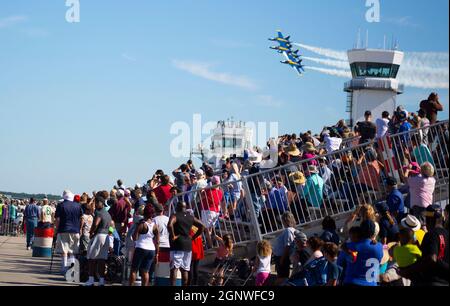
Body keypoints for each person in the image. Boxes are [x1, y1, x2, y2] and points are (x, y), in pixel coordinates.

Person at [399, 204, 449, 286]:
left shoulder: (431, 234)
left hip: (431, 282)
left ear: (431, 219)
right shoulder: (447, 234)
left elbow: (432, 258)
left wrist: (408, 271)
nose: (425, 222)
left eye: (426, 219)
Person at [168, 202, 205, 286]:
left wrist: (173, 235)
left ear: (177, 207)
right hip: (188, 245)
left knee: (174, 268)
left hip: (177, 244)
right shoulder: (191, 217)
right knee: (185, 269)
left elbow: (170, 225)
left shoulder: (175, 215)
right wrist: (194, 237)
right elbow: (202, 226)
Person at [341, 220, 384, 286]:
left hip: (352, 282)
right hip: (372, 284)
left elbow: (340, 262)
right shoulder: (379, 246)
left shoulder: (350, 246)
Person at [83, 196, 113, 286]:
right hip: (106, 236)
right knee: (102, 260)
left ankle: (91, 280)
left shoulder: (99, 212)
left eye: (96, 203)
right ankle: (101, 280)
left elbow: (96, 224)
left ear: (101, 203)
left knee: (91, 258)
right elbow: (111, 226)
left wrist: (91, 232)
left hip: (99, 235)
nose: (95, 205)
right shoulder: (108, 214)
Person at [128, 204, 160, 287]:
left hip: (141, 248)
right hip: (151, 250)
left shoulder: (141, 224)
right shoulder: (155, 226)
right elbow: (157, 241)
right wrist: (157, 254)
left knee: (134, 270)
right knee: (146, 271)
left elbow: (134, 238)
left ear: (144, 213)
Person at [55, 190, 83, 274]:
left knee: (64, 250)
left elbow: (57, 219)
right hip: (75, 230)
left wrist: (56, 229)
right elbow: (82, 218)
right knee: (73, 251)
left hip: (63, 229)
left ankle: (64, 268)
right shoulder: (78, 206)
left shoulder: (61, 205)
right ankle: (72, 269)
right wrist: (80, 228)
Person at [272, 212, 297, 285]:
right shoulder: (291, 230)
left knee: (282, 278)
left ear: (285, 220)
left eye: (282, 220)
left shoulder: (288, 231)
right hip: (281, 257)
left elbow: (287, 246)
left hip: (282, 258)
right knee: (282, 276)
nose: (282, 222)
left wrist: (282, 259)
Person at [200, 176, 224, 248]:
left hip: (208, 211)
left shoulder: (208, 190)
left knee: (207, 231)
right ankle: (220, 242)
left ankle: (211, 246)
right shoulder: (220, 192)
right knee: (210, 231)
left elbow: (201, 195)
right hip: (216, 212)